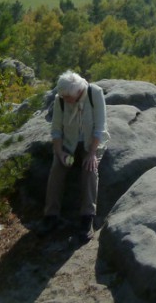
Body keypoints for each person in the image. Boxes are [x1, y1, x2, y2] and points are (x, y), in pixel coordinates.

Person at [37, 70, 108, 242]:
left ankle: (87, 218)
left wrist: (92, 153)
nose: (66, 100)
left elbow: (100, 126)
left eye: (69, 97)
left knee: (90, 170)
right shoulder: (60, 100)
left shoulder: (94, 93)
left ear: (78, 92)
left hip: (91, 143)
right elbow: (56, 129)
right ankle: (51, 215)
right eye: (63, 96)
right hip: (68, 144)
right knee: (57, 169)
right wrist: (59, 152)